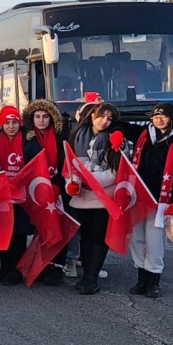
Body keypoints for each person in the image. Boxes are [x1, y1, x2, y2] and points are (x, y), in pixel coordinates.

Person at [128, 103, 173, 298]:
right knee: (137, 238)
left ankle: (153, 278)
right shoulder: (144, 134)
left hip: (161, 197)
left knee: (154, 240)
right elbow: (118, 126)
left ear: (172, 118)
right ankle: (141, 277)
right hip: (139, 195)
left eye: (163, 116)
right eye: (156, 116)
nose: (159, 120)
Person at [64, 102, 123, 295]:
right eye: (101, 116)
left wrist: (90, 180)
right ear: (91, 116)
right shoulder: (76, 137)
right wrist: (73, 183)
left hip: (104, 197)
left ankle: (92, 277)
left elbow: (116, 172)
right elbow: (71, 167)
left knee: (99, 237)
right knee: (86, 237)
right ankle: (86, 273)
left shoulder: (116, 140)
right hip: (82, 196)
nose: (105, 121)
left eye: (109, 118)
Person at [0, 105, 37, 286]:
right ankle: (4, 266)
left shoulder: (28, 142)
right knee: (2, 232)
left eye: (14, 122)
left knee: (18, 233)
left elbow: (35, 166)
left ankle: (16, 269)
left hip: (21, 196)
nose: (11, 126)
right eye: (7, 123)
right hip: (1, 194)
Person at [22, 99, 69, 285]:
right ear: (32, 119)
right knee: (41, 227)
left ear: (52, 118)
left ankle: (58, 266)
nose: (41, 120)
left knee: (59, 225)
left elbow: (66, 162)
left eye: (45, 116)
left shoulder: (61, 137)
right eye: (37, 116)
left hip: (57, 188)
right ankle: (44, 263)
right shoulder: (28, 139)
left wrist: (57, 184)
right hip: (36, 189)